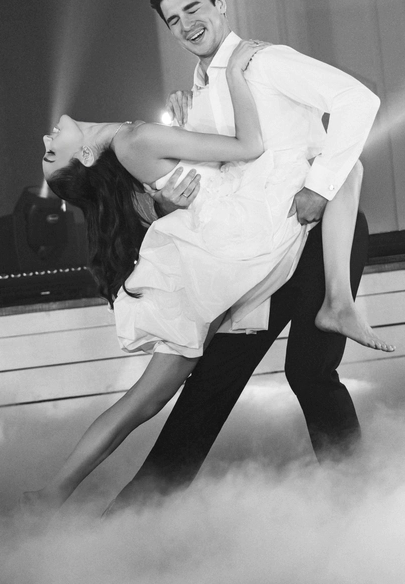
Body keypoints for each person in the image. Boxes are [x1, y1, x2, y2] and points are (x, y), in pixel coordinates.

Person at [27, 31, 385, 509]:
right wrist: (234, 75)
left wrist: (190, 116)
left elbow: (197, 174)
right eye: (52, 153)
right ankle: (87, 501)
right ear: (87, 156)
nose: (46, 139)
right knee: (163, 399)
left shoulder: (131, 142)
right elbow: (246, 147)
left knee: (152, 400)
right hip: (234, 251)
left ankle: (74, 498)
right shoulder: (134, 139)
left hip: (224, 258)